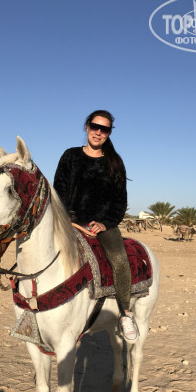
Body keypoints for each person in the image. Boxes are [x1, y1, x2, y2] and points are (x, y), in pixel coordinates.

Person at [53, 110, 138, 343]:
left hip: (102, 226)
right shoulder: (70, 156)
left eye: (104, 129)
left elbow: (120, 202)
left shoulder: (114, 163)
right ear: (87, 127)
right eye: (95, 126)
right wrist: (66, 218)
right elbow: (59, 191)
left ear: (109, 133)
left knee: (119, 260)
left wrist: (105, 223)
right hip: (69, 221)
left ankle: (125, 313)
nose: (98, 132)